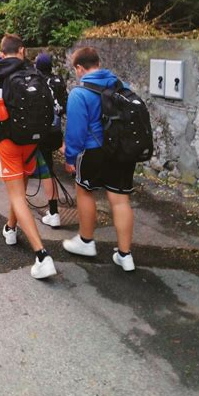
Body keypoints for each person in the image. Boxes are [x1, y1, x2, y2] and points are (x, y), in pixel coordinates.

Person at [0, 34, 57, 280]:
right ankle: (10, 229)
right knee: (20, 190)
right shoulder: (35, 74)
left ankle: (42, 256)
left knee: (16, 195)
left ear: (2, 52)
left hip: (9, 142)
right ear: (22, 50)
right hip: (33, 141)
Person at [62, 46, 136, 271]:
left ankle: (86, 241)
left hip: (93, 151)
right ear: (98, 63)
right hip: (121, 151)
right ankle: (125, 255)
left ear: (80, 68)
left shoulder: (79, 92)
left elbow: (75, 131)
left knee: (85, 191)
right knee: (121, 200)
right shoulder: (122, 86)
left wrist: (70, 158)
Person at [35, 52, 67, 227]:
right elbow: (64, 104)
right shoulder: (58, 80)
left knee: (46, 169)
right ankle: (75, 165)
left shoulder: (37, 81)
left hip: (41, 129)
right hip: (56, 127)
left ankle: (54, 213)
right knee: (51, 163)